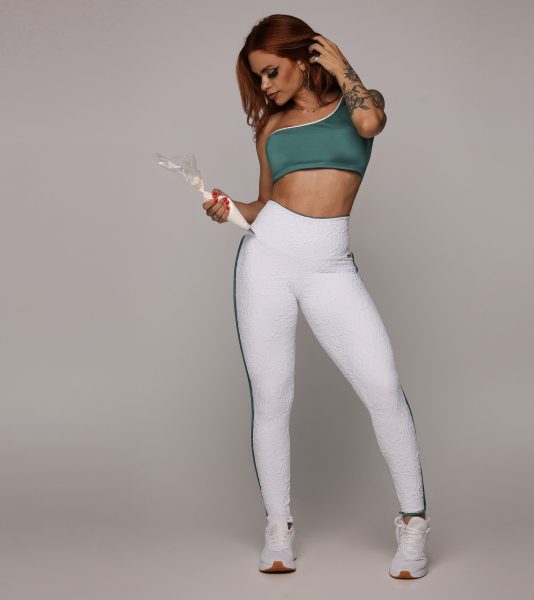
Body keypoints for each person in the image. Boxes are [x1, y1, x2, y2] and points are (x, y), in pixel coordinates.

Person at [203, 14, 430, 579]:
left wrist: (343, 65)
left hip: (330, 268)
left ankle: (413, 523)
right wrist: (229, 209)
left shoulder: (360, 104)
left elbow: (371, 123)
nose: (265, 86)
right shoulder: (270, 128)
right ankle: (278, 528)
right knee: (272, 396)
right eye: (257, 77)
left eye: (272, 71)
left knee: (383, 386)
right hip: (266, 261)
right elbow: (263, 204)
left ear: (305, 60)